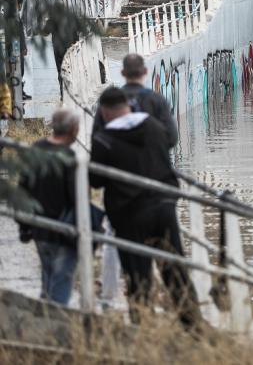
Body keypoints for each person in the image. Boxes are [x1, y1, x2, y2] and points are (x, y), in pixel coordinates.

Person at [89, 87, 200, 328]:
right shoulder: (153, 127)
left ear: (105, 112)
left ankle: (142, 327)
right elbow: (166, 153)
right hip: (163, 208)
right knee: (175, 270)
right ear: (127, 105)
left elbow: (95, 180)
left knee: (137, 275)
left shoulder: (103, 140)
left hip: (129, 216)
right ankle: (193, 326)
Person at [17, 110, 80, 305]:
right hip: (62, 230)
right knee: (61, 281)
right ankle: (56, 327)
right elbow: (75, 198)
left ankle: (44, 317)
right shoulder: (69, 157)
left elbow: (22, 190)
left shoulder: (36, 149)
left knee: (47, 276)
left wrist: (24, 227)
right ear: (72, 130)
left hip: (39, 229)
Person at [92, 54, 178, 148]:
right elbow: (172, 138)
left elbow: (97, 137)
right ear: (145, 71)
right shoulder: (157, 100)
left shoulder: (109, 100)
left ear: (123, 73)